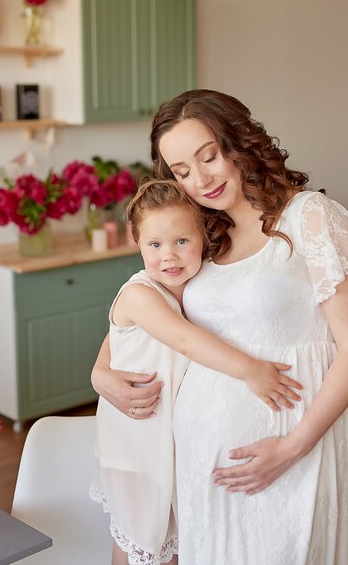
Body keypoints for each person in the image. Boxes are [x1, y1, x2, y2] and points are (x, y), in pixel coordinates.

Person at [92, 89, 348, 565]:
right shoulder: (199, 235)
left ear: (240, 142)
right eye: (182, 171)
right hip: (201, 463)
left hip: (291, 450)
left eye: (208, 157)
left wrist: (293, 447)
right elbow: (141, 310)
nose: (200, 180)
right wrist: (100, 373)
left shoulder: (311, 217)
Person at [90, 178, 303, 565]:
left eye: (181, 241)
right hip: (135, 443)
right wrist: (251, 370)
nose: (168, 256)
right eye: (154, 245)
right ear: (136, 242)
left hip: (165, 439)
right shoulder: (140, 294)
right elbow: (186, 342)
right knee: (140, 542)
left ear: (202, 238)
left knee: (171, 541)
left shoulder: (191, 285)